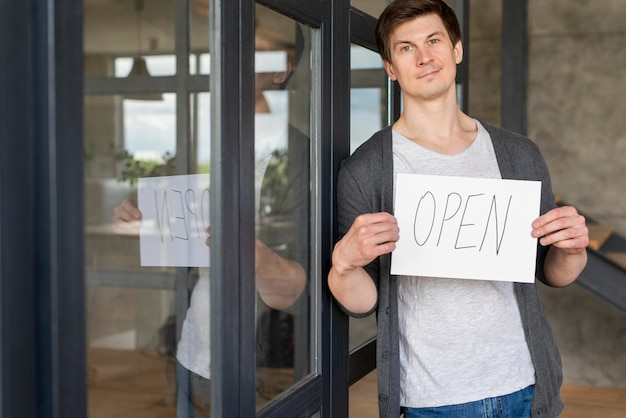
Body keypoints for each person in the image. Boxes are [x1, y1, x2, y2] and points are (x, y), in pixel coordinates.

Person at [327, 1, 589, 417]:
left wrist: (573, 250)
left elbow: (551, 273)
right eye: (406, 48)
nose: (425, 56)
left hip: (525, 384)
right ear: (390, 67)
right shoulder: (366, 170)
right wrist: (343, 264)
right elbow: (363, 301)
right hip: (431, 399)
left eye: (434, 40)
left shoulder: (519, 155)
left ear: (457, 50)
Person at [113, 19, 310, 418]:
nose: (235, 60)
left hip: (266, 365)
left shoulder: (302, 159)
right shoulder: (202, 142)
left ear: (281, 69)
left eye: (252, 51)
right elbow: (169, 218)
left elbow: (301, 282)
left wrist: (250, 251)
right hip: (193, 348)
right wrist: (137, 216)